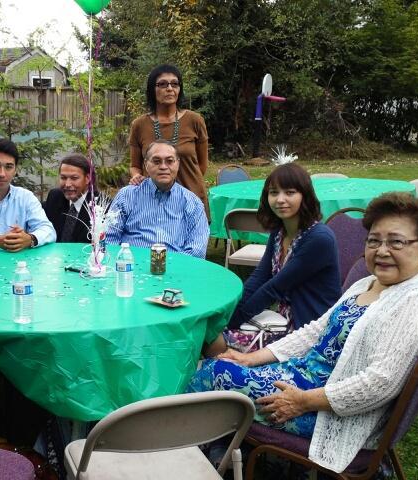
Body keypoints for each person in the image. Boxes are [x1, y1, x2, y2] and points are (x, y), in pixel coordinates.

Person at [188, 192, 418, 472]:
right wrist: (253, 358)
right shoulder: (369, 283)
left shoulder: (417, 300)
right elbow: (315, 331)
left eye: (396, 241)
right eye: (374, 240)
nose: (382, 251)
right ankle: (213, 453)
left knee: (208, 376)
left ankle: (182, 458)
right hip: (303, 380)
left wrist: (302, 401)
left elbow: (379, 383)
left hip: (328, 412)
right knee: (220, 365)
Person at [205, 163, 341, 356]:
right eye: (274, 193)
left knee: (214, 341)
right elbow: (259, 277)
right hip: (281, 317)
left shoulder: (318, 238)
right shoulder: (280, 231)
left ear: (305, 195)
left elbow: (274, 288)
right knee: (208, 329)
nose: (280, 200)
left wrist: (232, 322)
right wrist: (230, 315)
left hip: (307, 329)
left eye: (290, 192)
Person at [128, 64, 210, 220]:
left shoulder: (195, 120)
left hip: (191, 199)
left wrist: (188, 183)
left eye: (175, 84)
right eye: (163, 84)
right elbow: (135, 166)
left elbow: (202, 166)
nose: (170, 88)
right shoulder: (139, 125)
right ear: (153, 89)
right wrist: (137, 176)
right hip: (153, 202)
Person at [106, 140, 209, 258]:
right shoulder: (127, 196)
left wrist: (167, 266)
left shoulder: (192, 203)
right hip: (132, 267)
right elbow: (109, 238)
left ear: (178, 164)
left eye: (170, 161)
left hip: (175, 270)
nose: (163, 167)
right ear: (146, 164)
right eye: (156, 161)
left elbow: (197, 249)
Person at [43, 153, 96, 244]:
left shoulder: (99, 206)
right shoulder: (55, 197)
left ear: (87, 178)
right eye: (63, 178)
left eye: (74, 178)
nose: (67, 184)